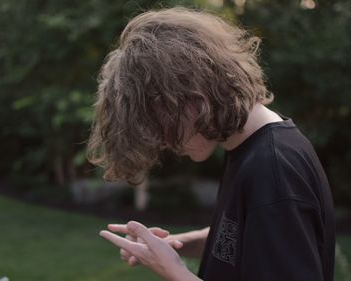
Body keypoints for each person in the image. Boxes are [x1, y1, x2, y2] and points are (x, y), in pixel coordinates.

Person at [87, 6, 336, 281]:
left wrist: (174, 271)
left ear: (192, 93)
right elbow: (249, 235)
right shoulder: (251, 150)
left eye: (158, 122)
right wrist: (177, 244)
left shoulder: (274, 171)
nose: (160, 140)